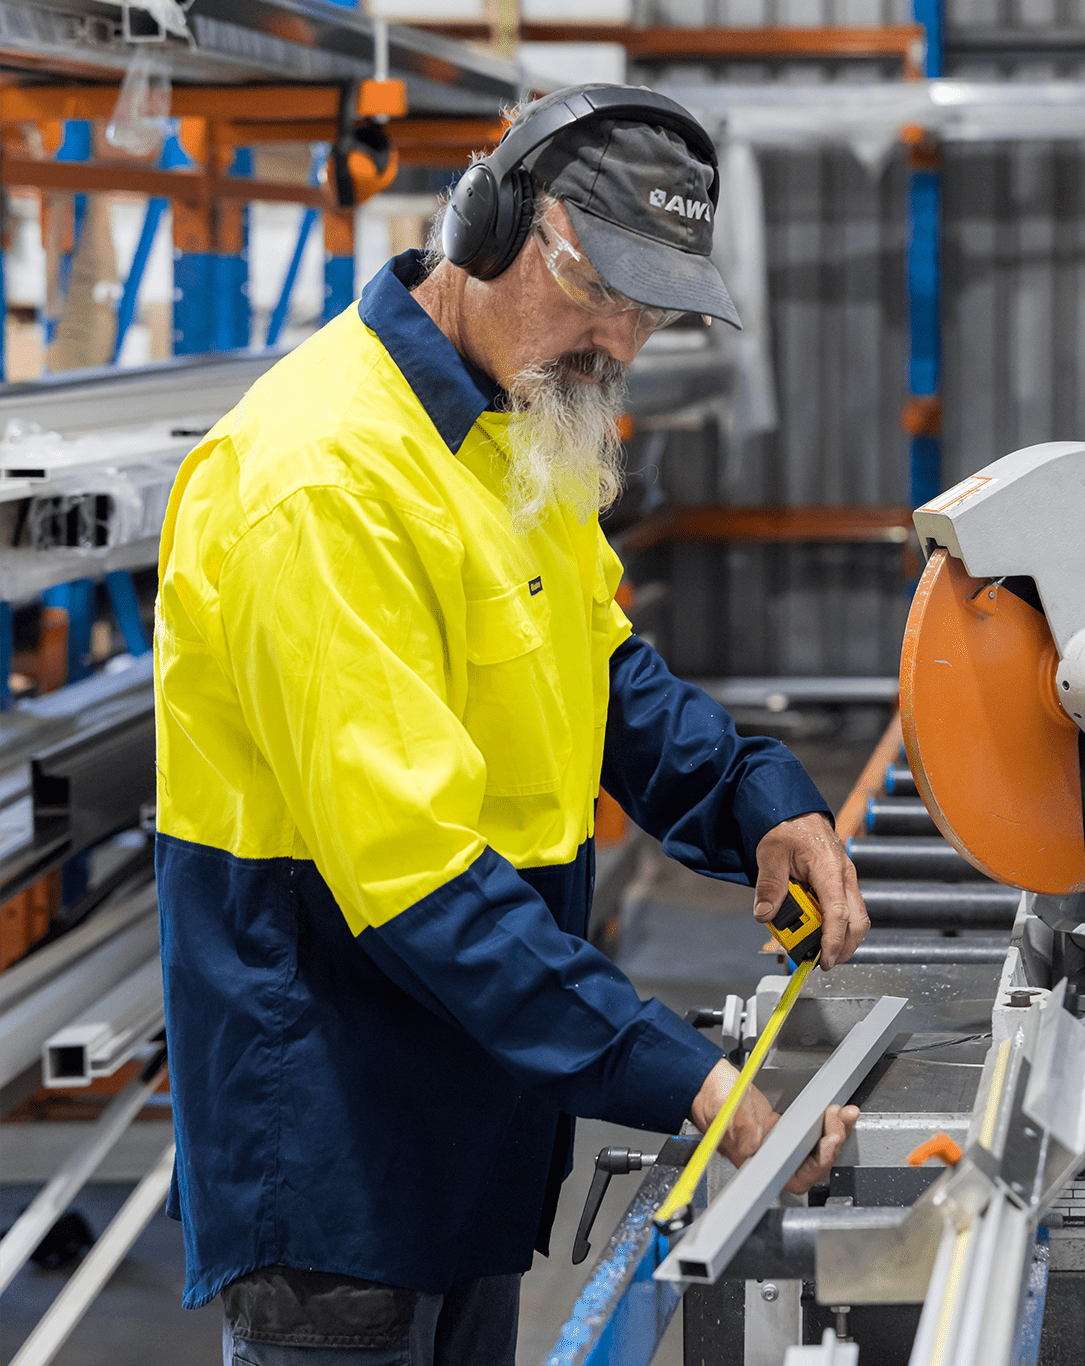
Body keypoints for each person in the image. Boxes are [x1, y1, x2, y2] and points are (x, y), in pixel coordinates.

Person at [153, 84, 870, 1366]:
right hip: (335, 1122)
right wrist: (679, 1071)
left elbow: (603, 681)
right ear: (488, 227)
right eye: (595, 288)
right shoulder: (324, 481)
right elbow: (416, 879)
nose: (617, 340)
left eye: (647, 312)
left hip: (474, 1083)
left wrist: (767, 795)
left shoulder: (514, 429)